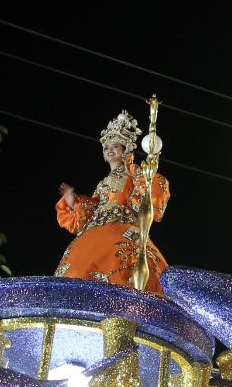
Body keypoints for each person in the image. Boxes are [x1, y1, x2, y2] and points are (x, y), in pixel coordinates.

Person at [56, 109, 170, 292]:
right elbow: (95, 207)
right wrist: (73, 200)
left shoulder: (132, 172)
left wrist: (144, 176)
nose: (110, 150)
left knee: (122, 261)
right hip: (95, 229)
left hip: (122, 226)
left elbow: (151, 189)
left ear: (125, 150)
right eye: (106, 147)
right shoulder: (103, 183)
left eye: (115, 146)